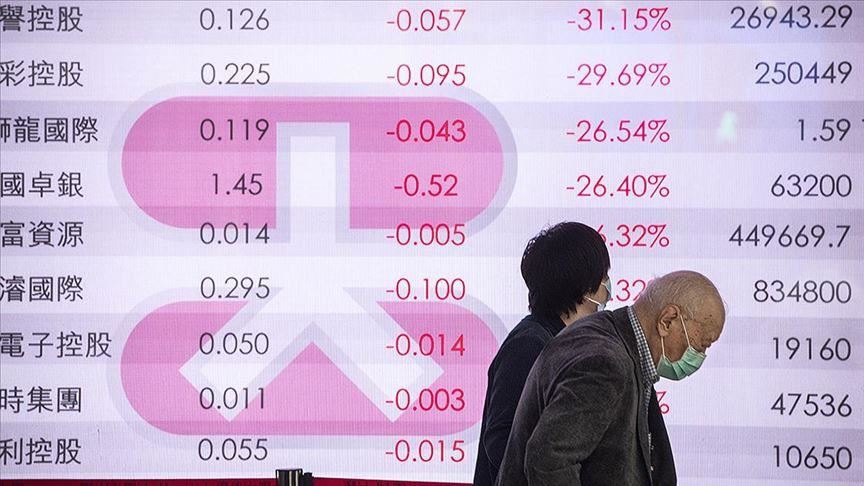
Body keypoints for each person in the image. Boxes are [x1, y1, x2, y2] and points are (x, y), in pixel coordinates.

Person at [497, 271, 725, 486]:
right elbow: (549, 460)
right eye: (702, 344)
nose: (700, 355)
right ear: (668, 320)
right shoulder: (606, 364)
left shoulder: (612, 340)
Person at [473, 222, 611, 486]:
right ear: (584, 286)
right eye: (603, 276)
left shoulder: (565, 339)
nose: (607, 286)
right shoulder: (528, 345)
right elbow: (502, 438)